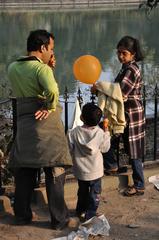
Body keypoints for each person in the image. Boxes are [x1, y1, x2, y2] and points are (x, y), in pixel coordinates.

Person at [8, 29, 75, 229]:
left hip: (25, 123)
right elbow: (52, 91)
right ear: (43, 47)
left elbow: (31, 86)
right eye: (51, 49)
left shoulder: (13, 67)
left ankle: (21, 216)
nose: (52, 54)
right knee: (55, 168)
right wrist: (49, 106)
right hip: (45, 123)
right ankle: (59, 220)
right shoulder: (41, 70)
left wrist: (48, 67)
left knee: (25, 171)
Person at [94, 36, 145, 196]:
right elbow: (115, 89)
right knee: (110, 137)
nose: (120, 56)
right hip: (123, 112)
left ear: (133, 54)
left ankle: (139, 185)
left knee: (133, 149)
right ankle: (112, 165)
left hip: (131, 113)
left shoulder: (131, 69)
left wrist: (100, 87)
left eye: (124, 53)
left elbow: (120, 92)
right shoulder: (125, 67)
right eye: (119, 53)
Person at [67, 103, 110, 220]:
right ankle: (90, 214)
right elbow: (105, 149)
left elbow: (69, 148)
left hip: (80, 170)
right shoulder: (100, 133)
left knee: (82, 191)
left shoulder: (74, 132)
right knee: (95, 193)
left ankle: (80, 210)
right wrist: (107, 133)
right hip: (95, 171)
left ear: (81, 118)